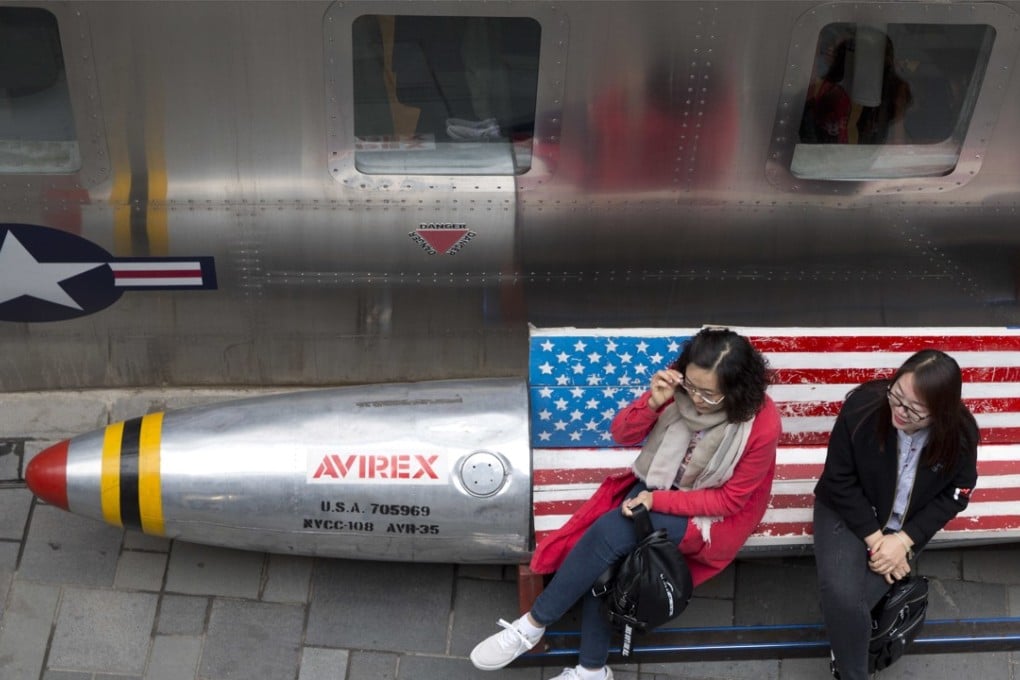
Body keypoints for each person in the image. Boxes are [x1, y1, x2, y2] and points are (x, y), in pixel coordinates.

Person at [469, 327, 782, 680]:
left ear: (735, 389)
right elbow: (622, 434)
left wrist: (654, 499)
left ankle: (535, 623)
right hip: (659, 485)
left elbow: (729, 500)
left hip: (711, 519)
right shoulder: (677, 390)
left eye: (709, 395)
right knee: (612, 558)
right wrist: (652, 402)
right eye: (691, 386)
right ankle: (591, 670)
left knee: (613, 530)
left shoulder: (761, 424)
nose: (695, 399)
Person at [813, 350, 979, 680]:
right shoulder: (862, 408)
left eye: (914, 410)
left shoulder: (960, 436)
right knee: (844, 598)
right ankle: (853, 672)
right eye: (896, 396)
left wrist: (903, 541)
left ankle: (846, 655)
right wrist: (879, 543)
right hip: (847, 510)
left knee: (847, 602)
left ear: (941, 413)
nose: (899, 411)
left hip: (908, 526)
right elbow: (838, 479)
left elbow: (957, 495)